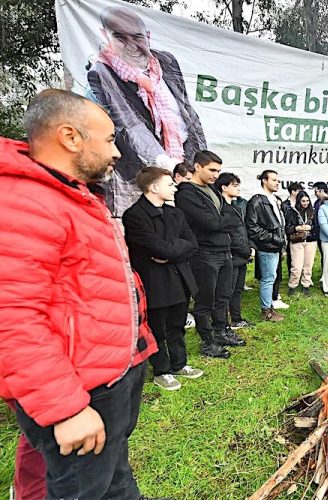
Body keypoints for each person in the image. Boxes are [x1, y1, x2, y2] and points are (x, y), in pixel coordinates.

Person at [0, 89, 159, 499]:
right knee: (84, 490)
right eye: (108, 140)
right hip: (78, 392)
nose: (118, 153)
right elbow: (11, 318)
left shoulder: (72, 195)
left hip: (105, 378)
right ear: (70, 137)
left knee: (113, 482)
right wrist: (64, 409)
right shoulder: (25, 201)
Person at [87, 6, 207, 215]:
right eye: (121, 37)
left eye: (137, 37)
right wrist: (167, 165)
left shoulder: (167, 61)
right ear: (105, 35)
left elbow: (186, 111)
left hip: (184, 161)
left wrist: (200, 162)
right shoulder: (101, 72)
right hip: (141, 171)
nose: (132, 45)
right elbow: (129, 124)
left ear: (148, 37)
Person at [123, 166, 204, 391]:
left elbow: (192, 244)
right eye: (170, 184)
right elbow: (157, 247)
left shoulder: (175, 213)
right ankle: (162, 370)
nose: (175, 187)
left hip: (179, 278)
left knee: (177, 325)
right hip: (154, 281)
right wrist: (171, 251)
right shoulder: (135, 215)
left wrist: (168, 253)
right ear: (154, 187)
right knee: (157, 327)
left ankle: (179, 364)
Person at [175, 150, 241, 358]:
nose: (215, 174)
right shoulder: (186, 193)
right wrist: (224, 221)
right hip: (204, 253)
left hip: (223, 251)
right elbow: (210, 223)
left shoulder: (212, 190)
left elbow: (232, 214)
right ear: (197, 167)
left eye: (218, 170)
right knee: (205, 299)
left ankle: (221, 331)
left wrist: (223, 221)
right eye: (212, 170)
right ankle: (207, 341)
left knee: (223, 295)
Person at [214, 173, 254, 332]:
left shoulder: (236, 207)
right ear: (224, 187)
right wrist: (246, 251)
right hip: (232, 256)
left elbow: (243, 231)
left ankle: (236, 319)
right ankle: (223, 324)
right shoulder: (222, 208)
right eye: (234, 185)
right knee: (226, 292)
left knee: (238, 290)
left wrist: (250, 247)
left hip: (242, 256)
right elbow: (231, 235)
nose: (238, 188)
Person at [247, 169, 287, 321]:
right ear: (264, 180)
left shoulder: (274, 199)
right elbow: (252, 227)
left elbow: (279, 224)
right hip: (267, 246)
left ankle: (269, 307)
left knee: (272, 277)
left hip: (274, 245)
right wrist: (273, 238)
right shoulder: (257, 200)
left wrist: (280, 242)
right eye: (274, 180)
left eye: (278, 180)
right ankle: (266, 312)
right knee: (268, 278)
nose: (278, 183)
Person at [286, 190, 318, 296]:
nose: (305, 203)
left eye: (307, 201)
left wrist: (311, 227)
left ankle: (306, 285)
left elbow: (317, 227)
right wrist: (296, 228)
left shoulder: (313, 212)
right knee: (296, 266)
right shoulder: (292, 212)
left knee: (308, 265)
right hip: (297, 241)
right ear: (299, 201)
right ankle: (292, 285)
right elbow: (287, 228)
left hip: (310, 241)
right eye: (303, 201)